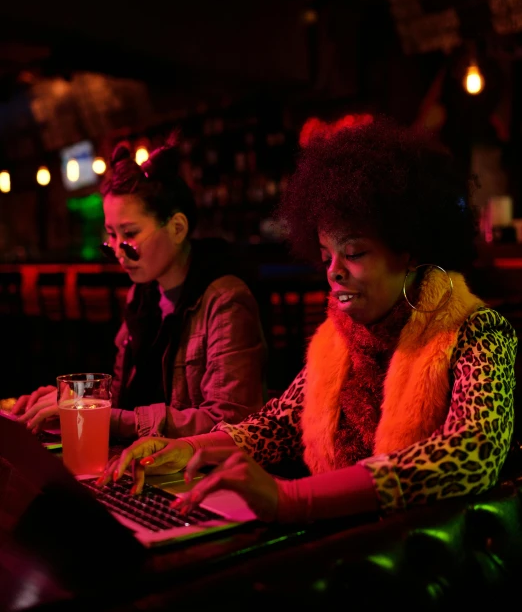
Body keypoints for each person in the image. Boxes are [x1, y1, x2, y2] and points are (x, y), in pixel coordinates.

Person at [98, 115, 518, 524]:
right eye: (325, 255)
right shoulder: (338, 339)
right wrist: (187, 449)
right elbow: (274, 424)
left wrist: (291, 499)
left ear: (407, 250)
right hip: (341, 551)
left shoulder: (477, 333)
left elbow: (470, 455)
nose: (333, 271)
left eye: (353, 254)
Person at [12, 133, 266, 442]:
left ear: (177, 228)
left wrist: (96, 413)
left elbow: (231, 424)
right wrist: (69, 399)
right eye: (111, 236)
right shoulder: (143, 294)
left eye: (129, 234)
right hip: (143, 462)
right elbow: (125, 402)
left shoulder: (226, 301)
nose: (118, 251)